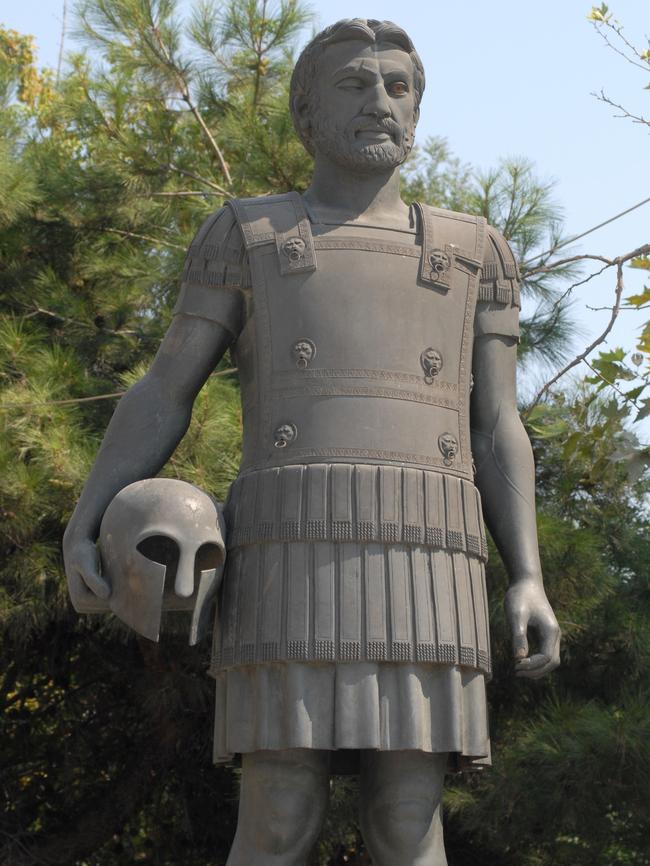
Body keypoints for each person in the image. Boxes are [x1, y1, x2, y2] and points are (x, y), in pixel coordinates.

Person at [63, 18, 561, 866]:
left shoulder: (475, 250)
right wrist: (87, 516)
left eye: (398, 87)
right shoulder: (248, 236)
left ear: (417, 109)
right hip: (288, 551)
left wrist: (527, 576)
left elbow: (497, 424)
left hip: (430, 557)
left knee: (409, 822)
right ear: (305, 112)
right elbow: (164, 389)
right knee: (278, 814)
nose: (379, 103)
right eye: (353, 85)